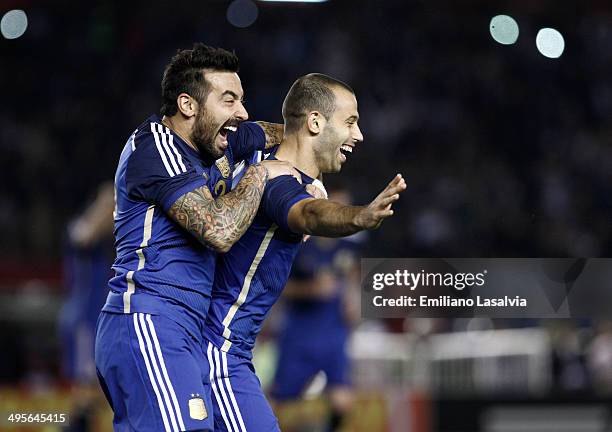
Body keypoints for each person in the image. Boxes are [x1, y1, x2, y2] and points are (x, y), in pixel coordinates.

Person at [94, 43, 299, 432]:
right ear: (188, 105)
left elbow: (277, 136)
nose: (242, 112)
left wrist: (310, 151)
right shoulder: (159, 147)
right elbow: (219, 231)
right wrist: (265, 173)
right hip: (147, 321)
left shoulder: (206, 145)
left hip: (184, 331)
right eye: (229, 100)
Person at [203, 73, 406, 431]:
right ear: (315, 122)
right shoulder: (279, 183)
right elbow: (308, 214)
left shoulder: (262, 156)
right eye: (350, 122)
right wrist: (360, 215)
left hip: (224, 347)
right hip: (219, 349)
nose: (358, 135)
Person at [270, 187, 363, 432]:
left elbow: (353, 282)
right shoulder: (299, 244)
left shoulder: (349, 250)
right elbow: (278, 287)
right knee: (276, 402)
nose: (343, 214)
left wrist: (354, 302)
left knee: (342, 402)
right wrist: (311, 289)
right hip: (300, 335)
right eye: (338, 207)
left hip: (333, 335)